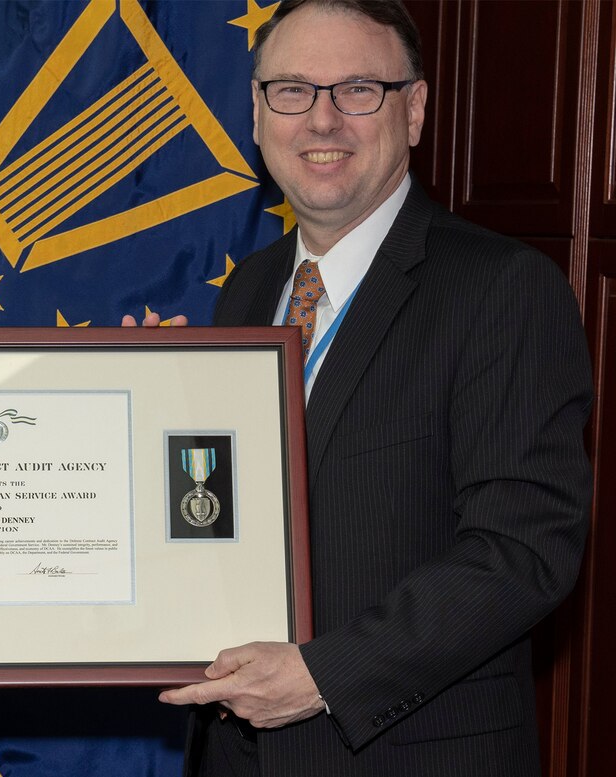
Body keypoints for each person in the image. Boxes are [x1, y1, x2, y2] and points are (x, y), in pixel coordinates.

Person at [155, 2, 594, 776]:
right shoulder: (249, 291)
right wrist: (154, 418)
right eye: (292, 90)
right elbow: (230, 512)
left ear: (415, 109)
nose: (322, 120)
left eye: (358, 89)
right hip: (233, 753)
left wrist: (325, 676)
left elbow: (523, 548)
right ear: (257, 114)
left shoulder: (503, 288)